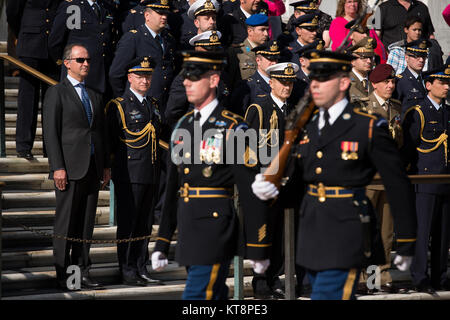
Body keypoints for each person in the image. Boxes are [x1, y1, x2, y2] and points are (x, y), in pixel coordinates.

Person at [251, 49, 417, 300]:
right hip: (311, 232)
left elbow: (397, 184)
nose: (314, 85)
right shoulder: (307, 127)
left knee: (330, 294)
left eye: (323, 79)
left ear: (343, 83)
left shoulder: (367, 126)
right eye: (314, 79)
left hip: (347, 229)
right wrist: (274, 193)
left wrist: (406, 241)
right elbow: (299, 183)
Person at [150, 50, 272, 300]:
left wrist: (259, 247)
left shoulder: (233, 127)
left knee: (196, 295)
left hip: (215, 226)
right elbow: (174, 187)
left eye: (195, 77)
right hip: (188, 226)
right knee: (213, 294)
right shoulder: (183, 125)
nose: (186, 82)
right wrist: (162, 242)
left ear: (214, 81)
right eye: (186, 77)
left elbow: (250, 190)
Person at [43, 43, 110, 290]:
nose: (85, 64)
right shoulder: (56, 92)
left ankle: (82, 271)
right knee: (67, 222)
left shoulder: (94, 95)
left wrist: (105, 166)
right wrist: (57, 167)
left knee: (85, 225)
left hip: (92, 167)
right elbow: (51, 133)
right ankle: (64, 273)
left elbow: (100, 133)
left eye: (88, 60)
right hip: (69, 169)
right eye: (80, 60)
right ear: (67, 63)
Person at [106, 56, 163, 286]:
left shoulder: (153, 104)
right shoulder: (119, 105)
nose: (145, 80)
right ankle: (127, 268)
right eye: (140, 76)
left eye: (148, 76)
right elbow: (111, 142)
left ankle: (141, 266)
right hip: (129, 172)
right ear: (130, 77)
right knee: (129, 223)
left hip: (150, 170)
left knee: (145, 223)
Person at [244, 62, 299, 299]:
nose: (287, 87)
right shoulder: (260, 108)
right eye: (282, 82)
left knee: (282, 235)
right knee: (264, 232)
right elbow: (247, 149)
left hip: (287, 183)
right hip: (265, 181)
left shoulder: (294, 110)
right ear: (271, 83)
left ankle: (275, 277)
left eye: (290, 82)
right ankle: (260, 281)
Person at [401, 65, 450, 293]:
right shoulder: (418, 112)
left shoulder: (447, 113)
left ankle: (440, 275)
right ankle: (420, 276)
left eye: (448, 83)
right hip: (424, 179)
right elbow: (409, 149)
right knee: (423, 232)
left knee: (443, 232)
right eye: (442, 82)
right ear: (428, 85)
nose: (446, 87)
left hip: (445, 180)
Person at [357, 64, 403, 294]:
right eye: (386, 82)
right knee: (366, 229)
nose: (390, 85)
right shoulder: (364, 107)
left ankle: (381, 276)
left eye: (393, 82)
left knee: (386, 230)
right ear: (374, 84)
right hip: (369, 178)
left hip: (389, 177)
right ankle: (364, 277)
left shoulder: (395, 107)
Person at [6, 0, 62, 159]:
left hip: (54, 47)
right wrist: (23, 31)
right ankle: (24, 146)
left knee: (52, 101)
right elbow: (12, 12)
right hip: (30, 43)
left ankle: (50, 148)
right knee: (27, 99)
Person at [109, 0, 176, 106]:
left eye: (166, 13)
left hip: (163, 104)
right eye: (160, 13)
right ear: (147, 15)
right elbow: (116, 74)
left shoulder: (168, 39)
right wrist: (126, 101)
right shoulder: (133, 38)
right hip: (138, 105)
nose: (164, 17)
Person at [48, 0, 115, 96]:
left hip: (101, 75)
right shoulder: (73, 6)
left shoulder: (106, 7)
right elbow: (55, 41)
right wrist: (69, 63)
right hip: (78, 75)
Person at [165, 31, 232, 126]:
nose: (212, 55)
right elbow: (172, 113)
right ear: (197, 49)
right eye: (209, 50)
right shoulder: (185, 78)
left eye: (215, 50)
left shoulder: (223, 76)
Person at [230, 39, 280, 114]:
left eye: (276, 59)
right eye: (270, 59)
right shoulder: (246, 86)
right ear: (258, 61)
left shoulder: (281, 83)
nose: (274, 63)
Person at [228, 13, 269, 82]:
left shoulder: (269, 52)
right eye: (262, 30)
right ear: (250, 31)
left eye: (267, 30)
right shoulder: (237, 52)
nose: (266, 34)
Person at [395, 39, 430, 112]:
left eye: (424, 56)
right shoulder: (400, 81)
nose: (421, 60)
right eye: (417, 56)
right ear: (406, 58)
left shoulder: (427, 79)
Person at [348, 37, 376, 102]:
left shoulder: (376, 79)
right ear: (352, 60)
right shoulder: (346, 80)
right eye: (364, 57)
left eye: (371, 57)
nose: (369, 61)